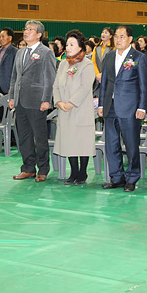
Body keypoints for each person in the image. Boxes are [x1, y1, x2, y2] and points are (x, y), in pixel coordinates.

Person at [98, 25, 147, 191]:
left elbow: (143, 85)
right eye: (116, 37)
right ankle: (116, 177)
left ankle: (132, 177)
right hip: (110, 106)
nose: (118, 40)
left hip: (130, 107)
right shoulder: (109, 56)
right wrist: (101, 104)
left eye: (122, 36)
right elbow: (104, 82)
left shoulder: (139, 57)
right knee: (111, 144)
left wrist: (142, 107)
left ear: (130, 39)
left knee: (131, 144)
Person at [9, 20, 57, 182]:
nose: (26, 31)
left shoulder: (46, 52)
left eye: (31, 29)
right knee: (24, 137)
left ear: (39, 34)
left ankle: (43, 169)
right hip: (20, 101)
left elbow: (50, 79)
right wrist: (12, 97)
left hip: (37, 101)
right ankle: (28, 168)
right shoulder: (20, 52)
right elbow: (15, 76)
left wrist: (46, 100)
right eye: (25, 29)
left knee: (40, 137)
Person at [53, 30, 96, 185]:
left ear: (80, 47)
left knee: (81, 142)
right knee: (69, 141)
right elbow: (56, 85)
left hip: (80, 109)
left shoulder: (87, 64)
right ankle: (74, 172)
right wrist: (59, 102)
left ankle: (82, 173)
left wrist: (70, 103)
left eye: (72, 44)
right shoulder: (63, 64)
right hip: (64, 110)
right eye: (67, 44)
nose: (68, 47)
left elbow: (85, 87)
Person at [0, 28, 18, 95]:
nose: (1, 39)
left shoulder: (15, 52)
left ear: (10, 38)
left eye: (3, 36)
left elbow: (16, 72)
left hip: (8, 86)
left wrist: (12, 88)